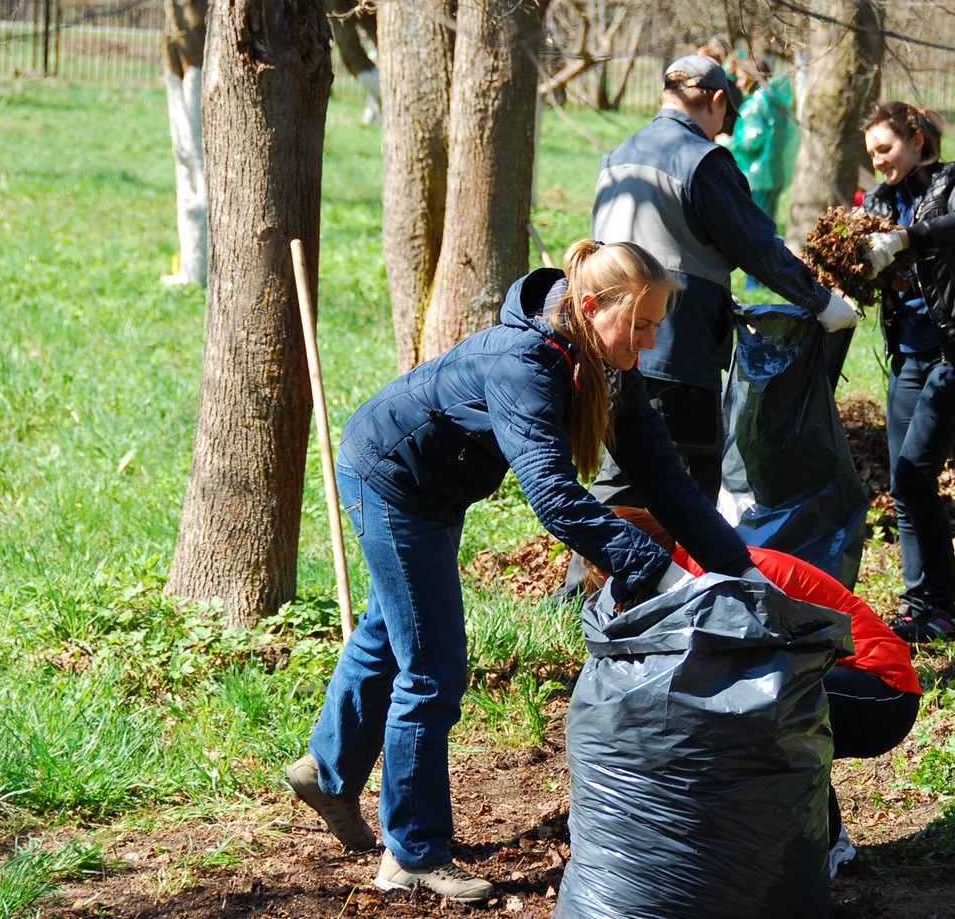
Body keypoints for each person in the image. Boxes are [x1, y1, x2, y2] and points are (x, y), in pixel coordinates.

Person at [285, 240, 761, 902]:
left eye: (657, 326)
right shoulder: (526, 365)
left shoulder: (605, 362)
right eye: (642, 324)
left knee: (390, 628)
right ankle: (412, 854)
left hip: (433, 485)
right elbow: (555, 497)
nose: (649, 343)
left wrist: (739, 572)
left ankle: (329, 774)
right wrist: (661, 573)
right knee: (433, 665)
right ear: (591, 307)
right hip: (391, 479)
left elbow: (669, 484)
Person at [581, 506, 922, 878]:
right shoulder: (684, 572)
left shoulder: (702, 579)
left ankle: (823, 844)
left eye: (607, 577)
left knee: (760, 711)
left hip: (881, 691)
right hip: (837, 681)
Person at [587, 53, 857, 508]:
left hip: (610, 341)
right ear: (716, 99)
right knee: (689, 482)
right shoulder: (702, 159)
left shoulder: (617, 157)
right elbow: (756, 247)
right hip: (675, 346)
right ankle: (683, 580)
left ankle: (586, 581)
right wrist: (822, 302)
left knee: (622, 474)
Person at [857, 102, 955, 643]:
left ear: (916, 139)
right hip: (909, 359)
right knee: (904, 483)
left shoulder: (951, 180)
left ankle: (936, 608)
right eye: (872, 154)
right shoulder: (875, 202)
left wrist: (907, 238)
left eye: (886, 149)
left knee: (915, 473)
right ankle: (920, 606)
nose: (879, 162)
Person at [726, 57, 799, 291]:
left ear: (750, 76)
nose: (737, 83)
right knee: (767, 228)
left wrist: (728, 142)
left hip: (757, 175)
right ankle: (766, 279)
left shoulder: (755, 104)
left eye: (739, 77)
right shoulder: (774, 100)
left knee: (752, 231)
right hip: (773, 172)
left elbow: (752, 138)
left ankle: (753, 283)